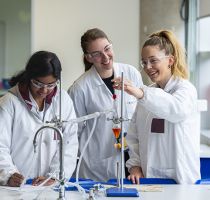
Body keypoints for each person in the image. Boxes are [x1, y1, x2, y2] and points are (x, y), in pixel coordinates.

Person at [113, 30, 200, 184]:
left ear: (170, 60)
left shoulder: (185, 90)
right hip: (148, 179)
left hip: (180, 180)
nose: (148, 67)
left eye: (153, 60)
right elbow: (134, 136)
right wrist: (135, 165)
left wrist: (141, 93)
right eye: (144, 62)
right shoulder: (148, 95)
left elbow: (175, 110)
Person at [68, 28, 143, 181]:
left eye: (107, 49)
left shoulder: (131, 73)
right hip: (97, 168)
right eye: (96, 54)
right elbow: (73, 133)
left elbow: (142, 113)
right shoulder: (80, 88)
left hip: (133, 163)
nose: (105, 57)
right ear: (88, 58)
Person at [0, 51, 78, 187]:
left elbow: (69, 143)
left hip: (49, 185)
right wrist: (9, 174)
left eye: (51, 85)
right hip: (16, 186)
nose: (44, 90)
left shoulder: (63, 100)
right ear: (30, 77)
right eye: (38, 84)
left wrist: (55, 177)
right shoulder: (9, 102)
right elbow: (1, 145)